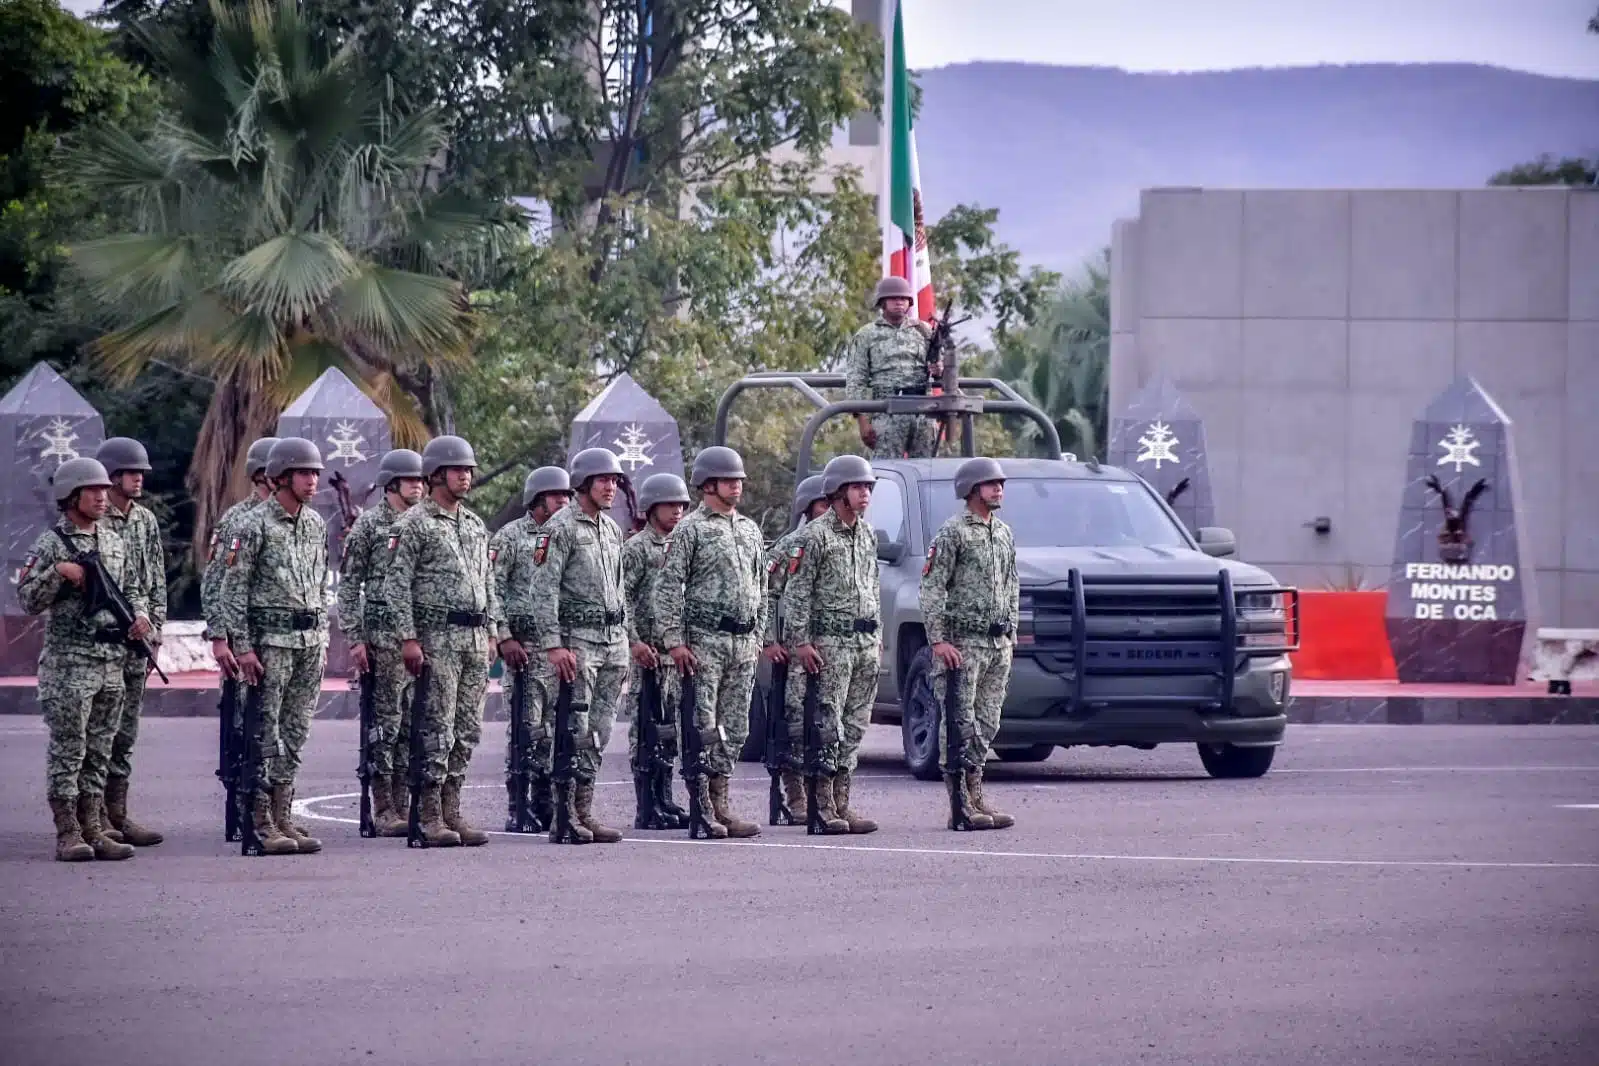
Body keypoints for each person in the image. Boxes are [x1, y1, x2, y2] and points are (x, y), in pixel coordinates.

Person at [20, 458, 149, 862]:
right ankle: (69, 832)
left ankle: (94, 827)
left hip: (112, 661)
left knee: (100, 749)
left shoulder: (113, 540)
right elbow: (27, 600)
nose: (101, 495)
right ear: (71, 496)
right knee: (69, 750)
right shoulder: (51, 543)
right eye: (92, 490)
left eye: (103, 488)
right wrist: (58, 572)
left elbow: (133, 589)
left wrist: (141, 617)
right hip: (70, 664)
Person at [382, 435, 505, 849]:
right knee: (436, 728)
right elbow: (395, 586)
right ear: (436, 475)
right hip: (438, 639)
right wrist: (408, 638)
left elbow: (488, 582)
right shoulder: (413, 523)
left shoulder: (473, 524)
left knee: (467, 730)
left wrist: (491, 632)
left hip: (473, 640)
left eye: (469, 470)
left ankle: (452, 808)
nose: (466, 476)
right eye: (458, 470)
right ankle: (429, 813)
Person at [216, 437, 332, 855]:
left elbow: (318, 584)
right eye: (304, 473)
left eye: (316, 473)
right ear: (281, 476)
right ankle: (260, 820)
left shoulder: (315, 524)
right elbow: (234, 589)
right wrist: (243, 647)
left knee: (295, 732)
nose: (313, 480)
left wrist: (322, 635)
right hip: (270, 644)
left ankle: (283, 815)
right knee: (264, 733)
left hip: (308, 641)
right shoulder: (252, 525)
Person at [652, 445, 767, 839]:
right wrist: (674, 641)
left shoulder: (749, 529)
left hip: (742, 643)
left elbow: (762, 588)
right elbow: (667, 586)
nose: (736, 487)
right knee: (701, 726)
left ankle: (722, 803)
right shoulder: (690, 529)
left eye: (738, 481)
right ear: (708, 484)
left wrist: (758, 635)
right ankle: (701, 805)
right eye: (729, 480)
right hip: (704, 642)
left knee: (734, 729)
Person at [528, 448, 630, 844]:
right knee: (570, 730)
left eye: (615, 480)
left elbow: (619, 590)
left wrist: (623, 640)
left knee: (598, 733)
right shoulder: (560, 528)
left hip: (611, 643)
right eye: (604, 480)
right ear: (584, 483)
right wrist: (554, 646)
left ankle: (584, 811)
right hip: (576, 644)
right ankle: (563, 816)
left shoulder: (611, 529)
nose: (611, 487)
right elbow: (543, 589)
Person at [779, 455, 882, 834]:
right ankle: (821, 805)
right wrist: (801, 642)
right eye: (858, 487)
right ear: (839, 491)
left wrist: (878, 635)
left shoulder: (868, 535)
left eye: (868, 487)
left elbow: (871, 587)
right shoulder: (814, 536)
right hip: (830, 644)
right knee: (827, 725)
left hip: (864, 643)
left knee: (854, 726)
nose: (865, 494)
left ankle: (842, 802)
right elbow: (797, 594)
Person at [917, 456, 1018, 831]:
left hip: (996, 643)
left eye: (1000, 484)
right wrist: (938, 640)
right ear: (971, 490)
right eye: (991, 484)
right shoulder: (953, 533)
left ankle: (977, 796)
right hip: (963, 644)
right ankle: (959, 803)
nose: (998, 489)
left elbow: (1012, 584)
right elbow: (931, 587)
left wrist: (1011, 631)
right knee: (959, 724)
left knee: (987, 723)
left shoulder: (1003, 532)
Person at [335, 448, 426, 837]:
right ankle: (383, 805)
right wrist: (355, 639)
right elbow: (348, 586)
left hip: (416, 639)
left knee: (410, 725)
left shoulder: (424, 524)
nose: (419, 488)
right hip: (381, 641)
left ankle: (403, 803)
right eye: (411, 482)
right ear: (392, 484)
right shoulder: (370, 527)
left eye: (422, 481)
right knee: (384, 726)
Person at [490, 465, 573, 832]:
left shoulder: (567, 535)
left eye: (568, 496)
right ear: (538, 499)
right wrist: (504, 636)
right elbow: (491, 587)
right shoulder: (509, 538)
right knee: (526, 729)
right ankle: (517, 805)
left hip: (558, 649)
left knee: (557, 732)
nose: (564, 501)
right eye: (557, 496)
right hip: (523, 650)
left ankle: (546, 803)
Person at [95, 437, 167, 848]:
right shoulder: (96, 520)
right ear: (111, 476)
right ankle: (95, 816)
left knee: (125, 731)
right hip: (104, 640)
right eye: (130, 472)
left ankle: (118, 813)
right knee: (99, 731)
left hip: (138, 641)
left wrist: (155, 629)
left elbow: (155, 577)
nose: (138, 478)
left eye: (140, 473)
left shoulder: (145, 521)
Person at [622, 472, 693, 830]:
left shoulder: (682, 545)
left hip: (674, 656)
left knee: (669, 733)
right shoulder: (636, 549)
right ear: (651, 508)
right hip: (647, 654)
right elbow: (624, 600)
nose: (677, 511)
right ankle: (646, 806)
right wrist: (634, 642)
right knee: (645, 732)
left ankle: (665, 800)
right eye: (669, 505)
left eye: (681, 504)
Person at [759, 474, 829, 823]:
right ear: (808, 507)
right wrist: (770, 639)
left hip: (833, 647)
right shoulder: (793, 544)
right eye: (823, 503)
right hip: (795, 651)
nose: (829, 509)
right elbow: (765, 592)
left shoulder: (844, 541)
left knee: (828, 726)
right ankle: (796, 797)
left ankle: (825, 797)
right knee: (795, 725)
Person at [204, 436, 279, 680]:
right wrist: (219, 639)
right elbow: (214, 581)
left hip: (284, 639)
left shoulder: (296, 519)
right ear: (261, 475)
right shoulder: (236, 519)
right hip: (245, 638)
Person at [843, 276, 938, 459]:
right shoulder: (866, 335)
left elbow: (940, 368)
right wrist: (862, 421)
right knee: (885, 472)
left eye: (903, 299)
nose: (899, 303)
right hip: (887, 412)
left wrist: (939, 369)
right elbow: (856, 379)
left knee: (927, 474)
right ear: (882, 302)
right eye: (893, 298)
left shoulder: (924, 331)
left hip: (923, 412)